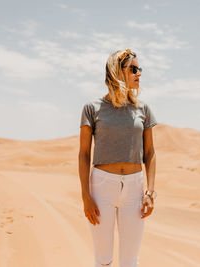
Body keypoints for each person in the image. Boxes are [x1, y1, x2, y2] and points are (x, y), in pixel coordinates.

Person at [78, 48, 158, 267]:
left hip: (134, 188)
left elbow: (150, 153)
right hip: (102, 186)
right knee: (103, 260)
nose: (139, 73)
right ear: (117, 71)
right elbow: (84, 154)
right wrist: (86, 196)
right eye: (133, 69)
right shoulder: (92, 108)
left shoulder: (143, 109)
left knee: (130, 261)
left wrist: (150, 191)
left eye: (139, 69)